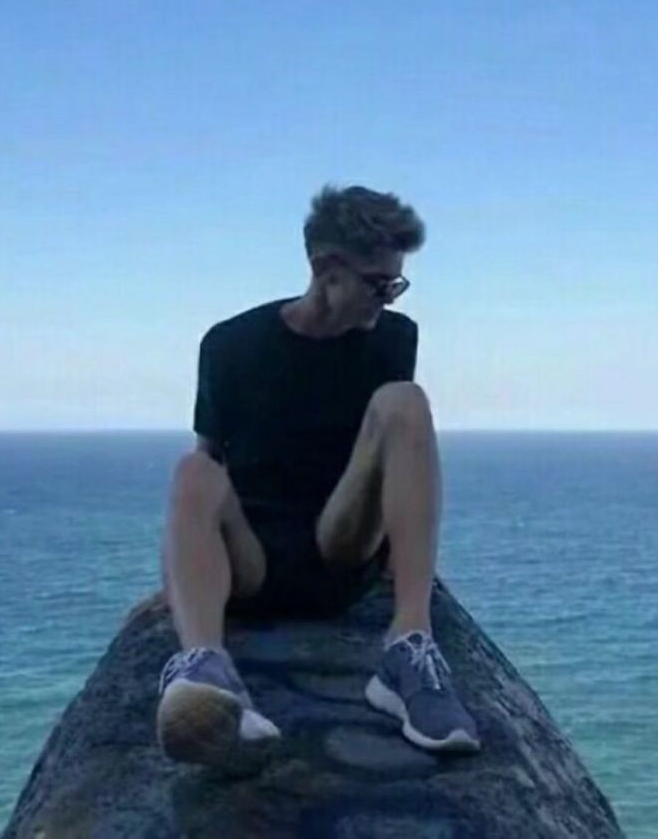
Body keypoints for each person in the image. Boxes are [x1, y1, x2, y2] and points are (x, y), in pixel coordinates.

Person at [156, 185, 480, 771]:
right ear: (326, 269)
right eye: (378, 284)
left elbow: (388, 452)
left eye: (396, 285)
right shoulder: (230, 346)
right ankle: (208, 673)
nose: (387, 299)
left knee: (404, 401)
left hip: (340, 548)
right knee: (191, 469)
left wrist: (403, 566)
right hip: (252, 564)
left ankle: (409, 647)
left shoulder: (392, 339)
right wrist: (180, 580)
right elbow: (208, 469)